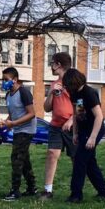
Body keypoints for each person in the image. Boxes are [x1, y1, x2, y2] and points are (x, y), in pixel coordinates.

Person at [63, 68, 105, 203]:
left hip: (95, 129)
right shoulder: (74, 94)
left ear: (74, 82)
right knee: (90, 162)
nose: (67, 88)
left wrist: (92, 137)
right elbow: (77, 114)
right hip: (84, 130)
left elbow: (99, 116)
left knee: (79, 160)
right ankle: (104, 191)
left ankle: (76, 194)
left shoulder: (89, 93)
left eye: (68, 85)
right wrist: (75, 133)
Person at [0, 67, 37, 201]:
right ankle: (32, 188)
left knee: (16, 159)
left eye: (6, 80)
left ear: (15, 80)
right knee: (24, 160)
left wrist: (13, 124)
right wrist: (7, 122)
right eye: (2, 80)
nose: (3, 82)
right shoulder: (9, 95)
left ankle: (15, 191)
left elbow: (32, 114)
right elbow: (13, 113)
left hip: (26, 130)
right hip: (17, 129)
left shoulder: (24, 92)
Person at [40, 51, 74, 200]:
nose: (51, 66)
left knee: (75, 157)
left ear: (58, 64)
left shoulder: (73, 81)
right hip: (55, 126)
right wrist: (51, 93)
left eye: (52, 63)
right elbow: (47, 108)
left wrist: (71, 120)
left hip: (72, 126)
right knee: (52, 154)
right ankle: (48, 190)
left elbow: (80, 105)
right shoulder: (54, 84)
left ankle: (76, 189)